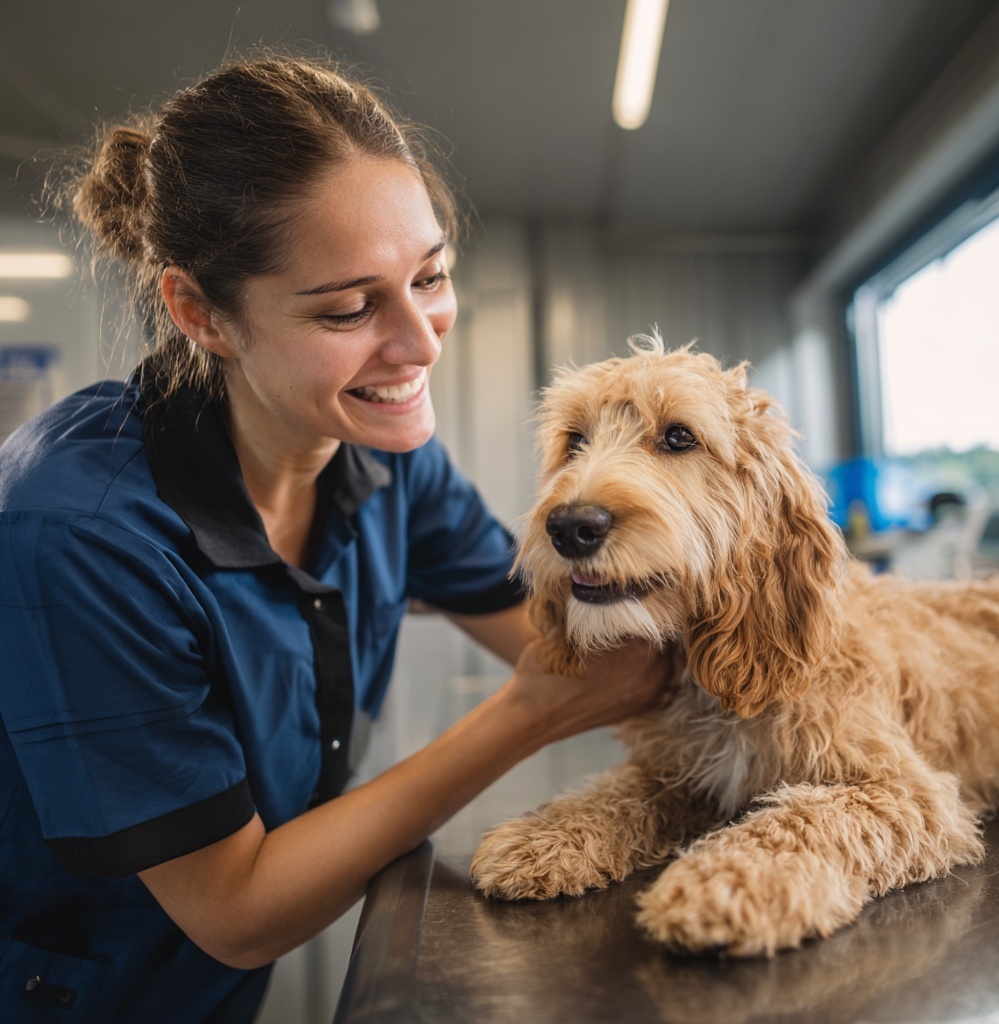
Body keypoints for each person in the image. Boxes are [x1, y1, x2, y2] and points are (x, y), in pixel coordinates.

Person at [0, 54, 673, 1022]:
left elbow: (566, 637)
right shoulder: (82, 534)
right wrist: (526, 714)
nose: (421, 341)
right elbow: (235, 908)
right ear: (201, 313)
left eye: (430, 277)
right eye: (350, 308)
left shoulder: (385, 458)